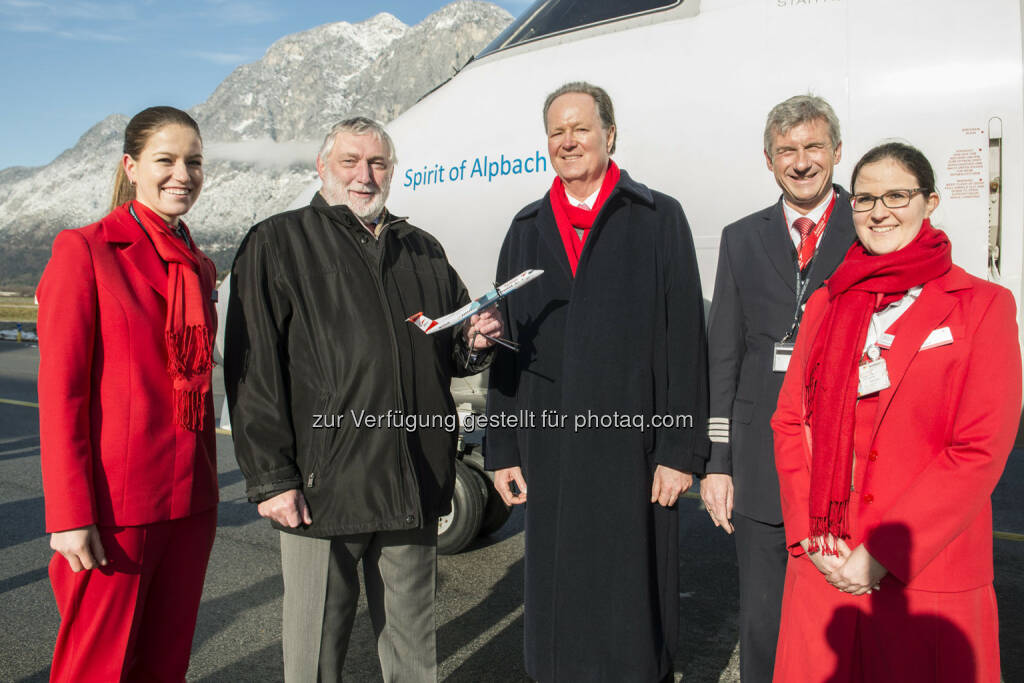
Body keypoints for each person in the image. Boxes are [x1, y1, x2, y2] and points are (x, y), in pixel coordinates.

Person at [224, 116, 501, 682]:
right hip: (325, 490)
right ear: (322, 167)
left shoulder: (422, 250)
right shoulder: (278, 242)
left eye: (377, 163)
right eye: (349, 161)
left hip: (413, 480)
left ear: (392, 171)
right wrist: (272, 479)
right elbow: (253, 373)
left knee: (413, 652)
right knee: (316, 654)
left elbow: (449, 351)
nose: (364, 175)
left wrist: (475, 342)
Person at [770, 142, 1021, 682]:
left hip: (923, 572)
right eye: (864, 199)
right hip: (827, 566)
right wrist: (807, 538)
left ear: (930, 202)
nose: (879, 211)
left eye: (897, 195)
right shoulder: (827, 303)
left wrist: (883, 551)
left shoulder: (982, 307)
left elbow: (978, 449)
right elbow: (790, 420)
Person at [485, 82, 709, 683]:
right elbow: (506, 348)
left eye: (580, 128)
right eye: (557, 132)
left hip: (634, 449)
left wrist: (679, 451)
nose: (568, 141)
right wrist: (502, 447)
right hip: (550, 448)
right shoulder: (525, 228)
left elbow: (686, 342)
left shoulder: (659, 218)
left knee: (632, 602)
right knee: (560, 597)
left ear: (610, 134)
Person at [36, 106, 219, 682]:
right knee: (98, 670)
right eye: (165, 160)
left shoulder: (199, 266)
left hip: (191, 501)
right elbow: (61, 393)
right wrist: (69, 515)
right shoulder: (86, 250)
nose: (181, 174)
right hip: (116, 508)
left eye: (193, 162)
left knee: (165, 666)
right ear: (131, 167)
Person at [702, 94, 855, 681]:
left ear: (836, 152)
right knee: (763, 620)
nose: (800, 161)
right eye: (785, 150)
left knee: (836, 620)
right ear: (768, 160)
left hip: (839, 459)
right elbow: (725, 355)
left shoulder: (866, 229)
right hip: (761, 459)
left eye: (813, 146)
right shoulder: (741, 238)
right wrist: (718, 462)